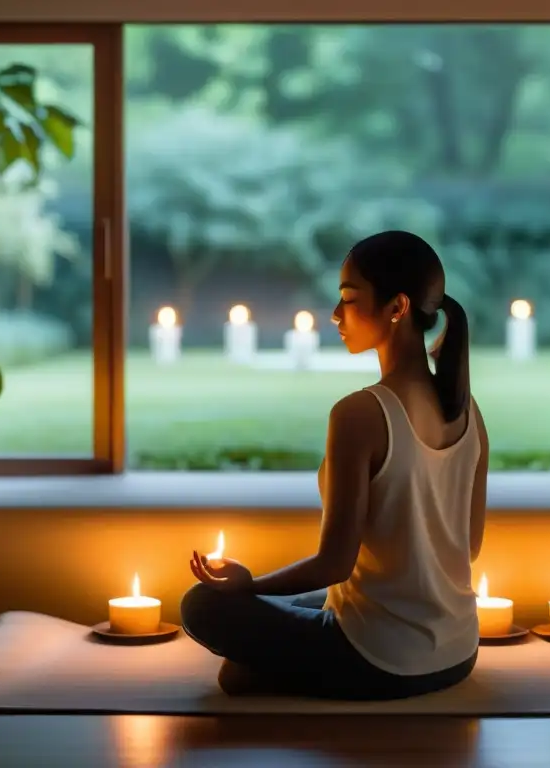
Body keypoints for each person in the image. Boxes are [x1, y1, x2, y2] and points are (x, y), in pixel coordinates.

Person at [181, 230, 490, 700]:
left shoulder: (359, 414)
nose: (335, 314)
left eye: (348, 299)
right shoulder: (468, 411)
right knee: (264, 624)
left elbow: (334, 564)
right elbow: (468, 547)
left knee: (203, 605)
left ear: (397, 307)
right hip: (458, 650)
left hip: (382, 658)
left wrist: (249, 584)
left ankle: (284, 668)